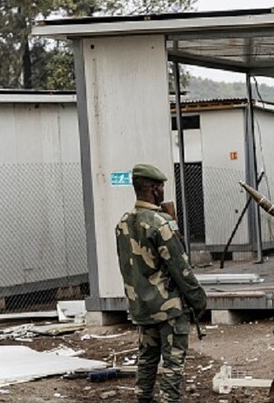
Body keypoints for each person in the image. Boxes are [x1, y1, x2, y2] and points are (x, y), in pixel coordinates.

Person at [115, 163, 207, 403]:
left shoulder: (123, 222)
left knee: (147, 359)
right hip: (168, 307)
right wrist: (198, 299)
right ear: (154, 189)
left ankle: (143, 398)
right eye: (161, 186)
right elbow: (180, 266)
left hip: (141, 305)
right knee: (173, 362)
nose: (163, 191)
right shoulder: (160, 223)